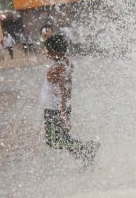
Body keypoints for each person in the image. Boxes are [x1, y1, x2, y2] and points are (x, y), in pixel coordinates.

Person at [41, 34, 99, 167]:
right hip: (59, 107)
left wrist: (62, 114)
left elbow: (63, 89)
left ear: (54, 51)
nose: (46, 52)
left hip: (54, 109)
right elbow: (68, 87)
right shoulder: (67, 62)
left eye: (48, 50)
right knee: (64, 138)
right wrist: (66, 108)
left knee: (54, 141)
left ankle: (88, 147)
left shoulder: (57, 67)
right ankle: (86, 157)